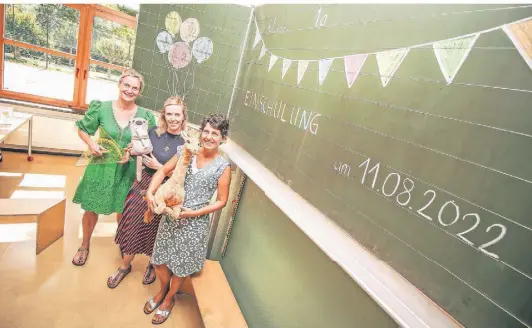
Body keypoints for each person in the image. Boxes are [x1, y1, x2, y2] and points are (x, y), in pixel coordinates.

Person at [143, 113, 231, 325]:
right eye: (206, 131)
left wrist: (192, 213)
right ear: (201, 132)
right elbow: (164, 170)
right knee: (158, 261)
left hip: (194, 224)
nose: (209, 137)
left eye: (215, 134)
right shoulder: (186, 151)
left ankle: (169, 298)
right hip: (170, 217)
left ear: (223, 139)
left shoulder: (223, 167)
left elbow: (221, 201)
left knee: (180, 267)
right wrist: (150, 192)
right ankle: (163, 288)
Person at [71, 69, 156, 267]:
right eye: (127, 85)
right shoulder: (100, 108)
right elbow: (83, 129)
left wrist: (134, 150)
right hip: (100, 167)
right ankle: (84, 245)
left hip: (127, 172)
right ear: (119, 85)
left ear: (139, 92)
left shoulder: (145, 116)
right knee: (91, 208)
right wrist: (92, 144)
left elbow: (149, 145)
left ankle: (123, 241)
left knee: (123, 210)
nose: (130, 90)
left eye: (135, 88)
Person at [107, 96, 188, 288]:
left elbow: (183, 174)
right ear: (163, 115)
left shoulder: (186, 143)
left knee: (156, 231)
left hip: (165, 191)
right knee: (133, 223)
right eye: (169, 114)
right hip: (142, 183)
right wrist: (129, 151)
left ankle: (153, 264)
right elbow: (136, 151)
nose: (173, 118)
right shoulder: (151, 133)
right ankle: (125, 266)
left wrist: (160, 167)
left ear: (184, 116)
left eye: (177, 114)